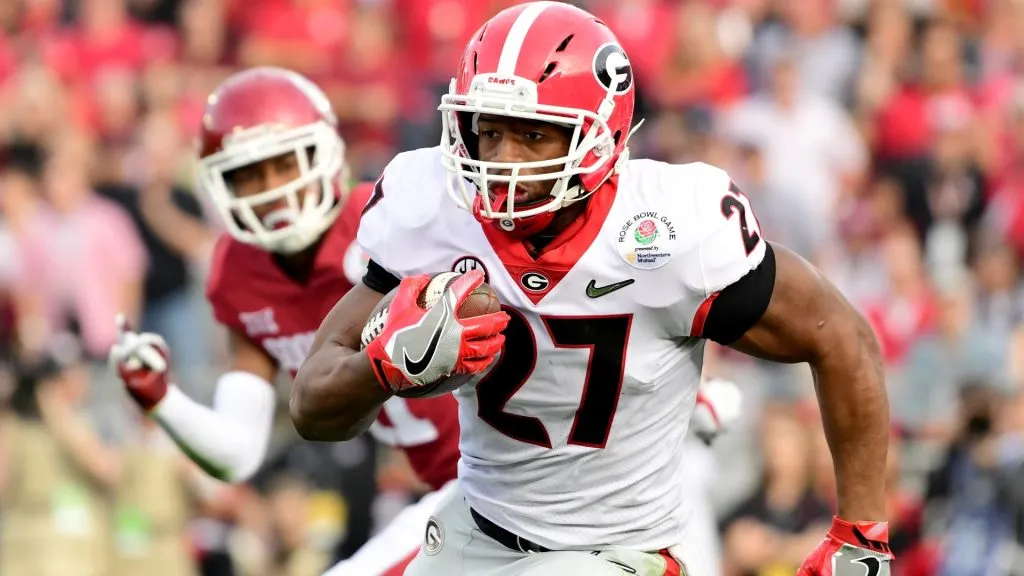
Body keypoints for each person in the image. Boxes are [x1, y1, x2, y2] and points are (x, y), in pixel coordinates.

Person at [290, 3, 893, 576]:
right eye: (489, 132)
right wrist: (382, 366)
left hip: (616, 552)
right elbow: (311, 406)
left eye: (533, 136)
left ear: (600, 138)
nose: (502, 162)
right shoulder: (433, 209)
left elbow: (841, 338)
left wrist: (860, 532)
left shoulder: (670, 229)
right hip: (478, 531)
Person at [105, 67, 462, 574]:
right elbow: (238, 452)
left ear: (323, 152)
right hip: (452, 487)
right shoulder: (238, 273)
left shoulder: (386, 221)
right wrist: (161, 399)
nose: (272, 190)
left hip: (502, 471)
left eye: (284, 163)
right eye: (248, 174)